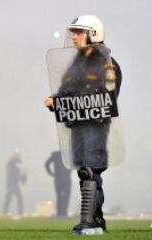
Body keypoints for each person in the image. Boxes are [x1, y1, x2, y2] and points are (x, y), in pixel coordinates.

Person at [44, 15, 122, 232]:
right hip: (78, 127)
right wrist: (56, 101)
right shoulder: (78, 65)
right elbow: (68, 90)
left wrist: (69, 100)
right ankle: (95, 221)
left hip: (96, 127)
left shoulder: (106, 64)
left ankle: (92, 222)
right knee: (84, 172)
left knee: (90, 171)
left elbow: (106, 96)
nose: (73, 36)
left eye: (79, 32)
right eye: (73, 32)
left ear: (93, 34)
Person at [45, 151, 71, 217]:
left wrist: (51, 173)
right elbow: (47, 164)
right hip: (64, 178)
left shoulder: (56, 154)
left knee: (60, 196)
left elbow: (47, 164)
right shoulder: (68, 154)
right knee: (64, 196)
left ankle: (60, 212)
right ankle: (63, 212)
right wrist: (51, 173)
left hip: (59, 178)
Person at [3, 149, 27, 216]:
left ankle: (20, 213)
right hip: (11, 184)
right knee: (9, 199)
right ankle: (5, 213)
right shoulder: (10, 163)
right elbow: (12, 174)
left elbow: (20, 173)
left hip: (15, 184)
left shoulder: (19, 162)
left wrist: (24, 175)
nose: (17, 155)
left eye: (18, 154)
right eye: (16, 154)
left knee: (18, 198)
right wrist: (20, 177)